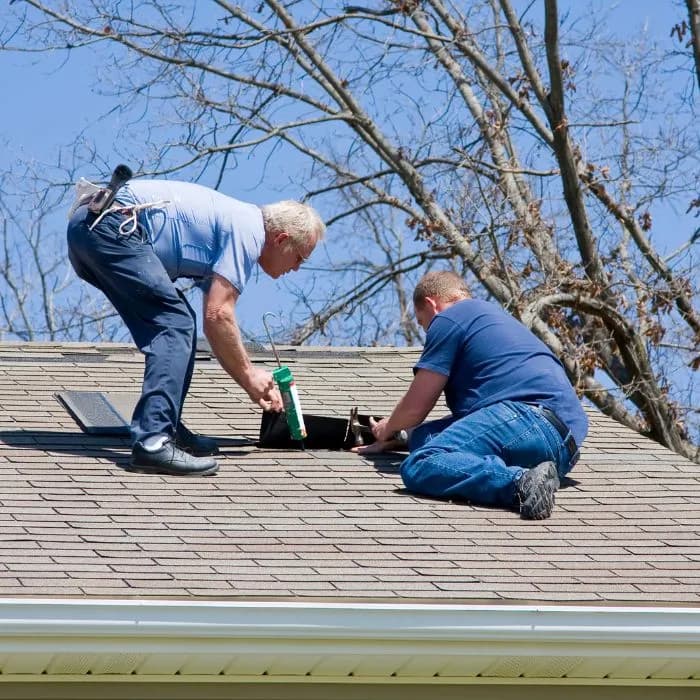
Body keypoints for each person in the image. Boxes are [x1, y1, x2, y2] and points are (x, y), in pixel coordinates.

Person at [67, 177, 325, 477]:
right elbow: (218, 315)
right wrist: (249, 376)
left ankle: (167, 427)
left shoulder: (235, 222)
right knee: (175, 324)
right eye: (300, 258)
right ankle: (153, 442)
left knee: (179, 324)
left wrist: (247, 375)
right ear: (281, 240)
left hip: (90, 228)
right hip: (112, 226)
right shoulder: (249, 231)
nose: (295, 268)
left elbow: (212, 318)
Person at [359, 271, 588, 520]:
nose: (428, 330)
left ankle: (520, 484)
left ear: (431, 304)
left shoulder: (450, 317)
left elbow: (417, 407)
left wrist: (387, 427)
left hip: (526, 418)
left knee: (421, 463)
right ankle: (532, 476)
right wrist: (403, 436)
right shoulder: (493, 319)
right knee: (423, 438)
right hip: (563, 451)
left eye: (423, 322)